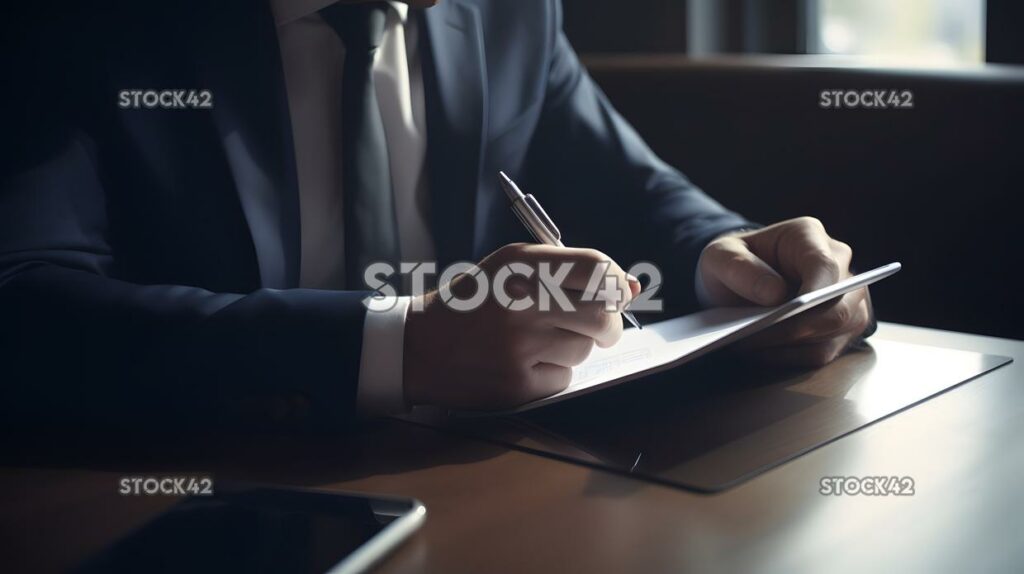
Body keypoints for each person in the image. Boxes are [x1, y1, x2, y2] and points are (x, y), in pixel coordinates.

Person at [0, 0, 872, 430]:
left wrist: (728, 255)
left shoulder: (506, 12)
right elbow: (24, 299)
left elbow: (629, 187)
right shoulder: (82, 24)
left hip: (466, 489)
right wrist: (394, 347)